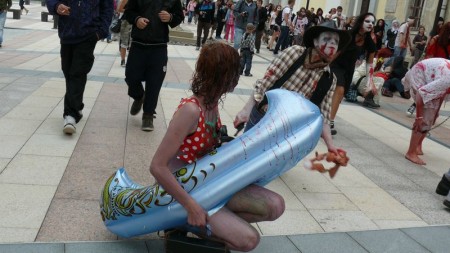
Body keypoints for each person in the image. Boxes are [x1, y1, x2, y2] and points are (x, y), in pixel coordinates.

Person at [151, 42, 278, 252]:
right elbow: (157, 167)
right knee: (249, 240)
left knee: (275, 206)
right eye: (234, 72)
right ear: (222, 76)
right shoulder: (191, 110)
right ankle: (177, 221)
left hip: (207, 184)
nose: (238, 78)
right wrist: (191, 206)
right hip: (183, 191)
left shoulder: (211, 104)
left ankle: (217, 220)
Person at [234, 21, 351, 154]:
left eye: (336, 42)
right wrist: (246, 110)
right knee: (246, 153)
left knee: (264, 163)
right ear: (315, 41)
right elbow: (264, 84)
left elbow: (323, 117)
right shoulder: (295, 53)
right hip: (263, 116)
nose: (332, 45)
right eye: (327, 39)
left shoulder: (330, 79)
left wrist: (330, 146)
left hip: (286, 130)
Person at [47, 0, 113, 134]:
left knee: (77, 72)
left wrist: (101, 31)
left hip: (88, 34)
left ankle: (70, 115)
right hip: (67, 33)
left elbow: (107, 8)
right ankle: (77, 107)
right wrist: (56, 6)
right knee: (68, 71)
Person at [123, 0, 184, 131]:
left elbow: (179, 16)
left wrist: (171, 17)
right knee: (131, 77)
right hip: (138, 44)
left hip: (159, 46)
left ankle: (148, 115)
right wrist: (137, 19)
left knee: (154, 82)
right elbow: (128, 11)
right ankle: (139, 96)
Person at [329, 13, 377, 135]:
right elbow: (336, 52)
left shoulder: (369, 41)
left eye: (373, 22)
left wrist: (369, 83)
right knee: (339, 90)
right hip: (336, 65)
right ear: (361, 22)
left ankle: (327, 116)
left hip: (349, 70)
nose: (371, 24)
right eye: (368, 21)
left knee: (339, 96)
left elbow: (369, 64)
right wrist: (325, 65)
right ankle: (329, 122)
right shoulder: (348, 35)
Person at [403, 58, 450, 165]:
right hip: (419, 75)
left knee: (431, 116)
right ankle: (411, 152)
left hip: (429, 75)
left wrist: (437, 111)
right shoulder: (447, 79)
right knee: (425, 118)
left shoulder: (446, 80)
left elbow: (442, 92)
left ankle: (418, 145)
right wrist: (419, 117)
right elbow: (421, 93)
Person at [407, 21, 450, 117]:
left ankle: (433, 113)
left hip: (445, 71)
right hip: (433, 69)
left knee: (440, 92)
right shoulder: (436, 39)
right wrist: (427, 70)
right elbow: (430, 55)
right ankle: (415, 106)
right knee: (425, 90)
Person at [117, 0, 132, 67]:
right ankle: (123, 60)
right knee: (124, 41)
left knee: (133, 42)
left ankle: (131, 60)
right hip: (126, 22)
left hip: (135, 22)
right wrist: (129, 11)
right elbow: (119, 9)